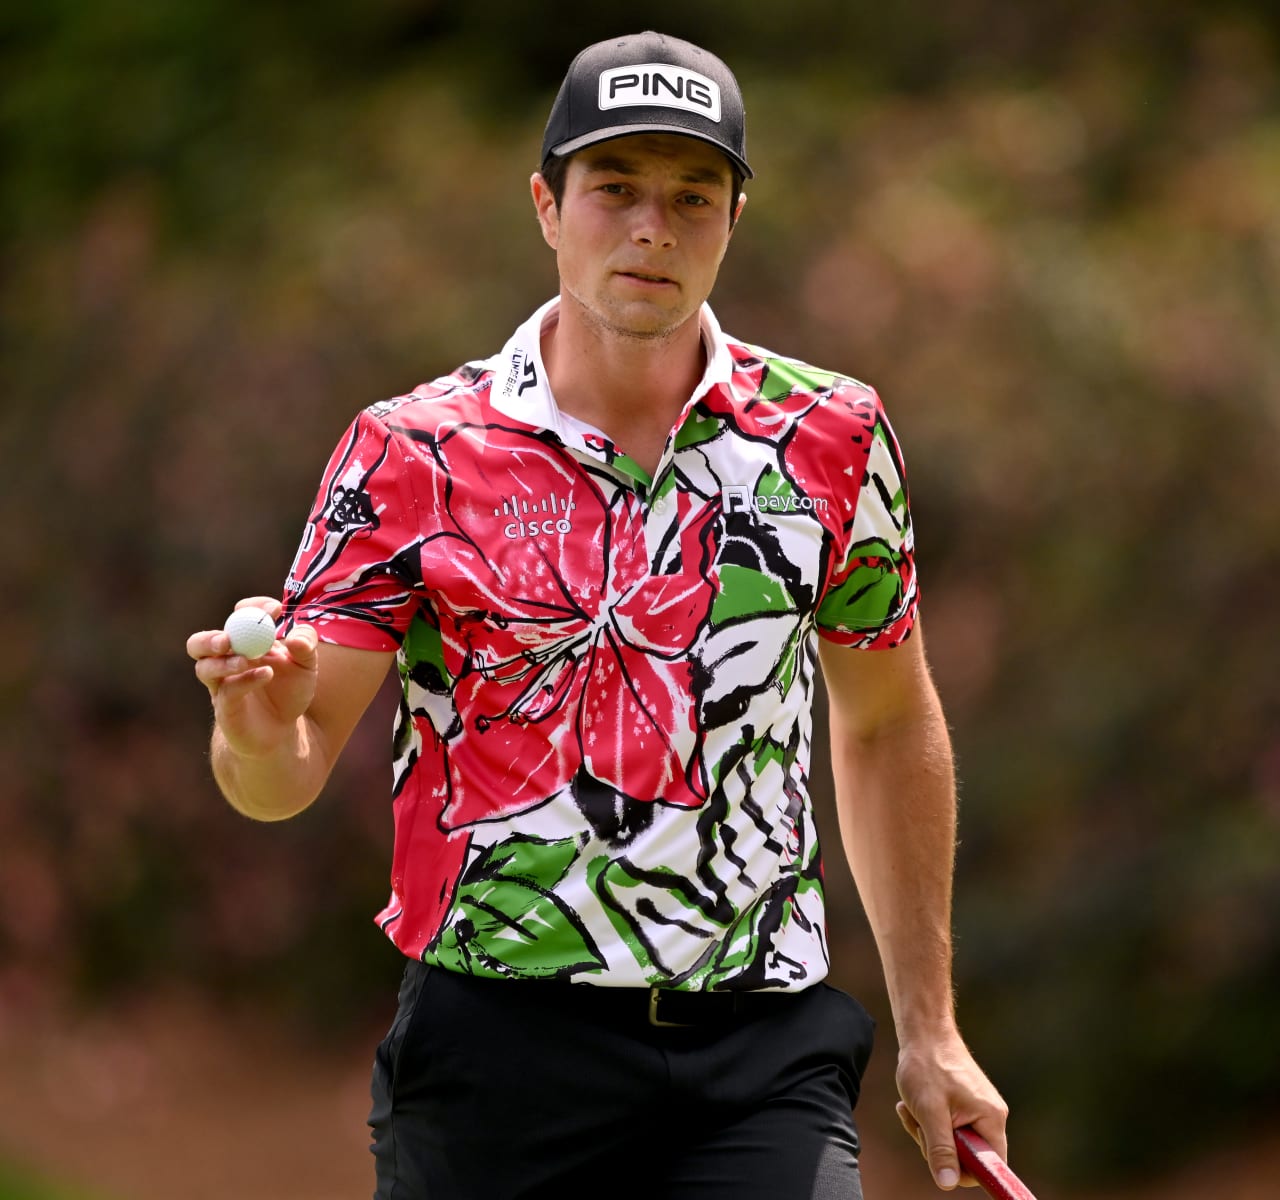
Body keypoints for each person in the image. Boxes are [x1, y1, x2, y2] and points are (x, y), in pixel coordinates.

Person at [185, 29, 1008, 1200]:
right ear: (545, 204)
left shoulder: (830, 438)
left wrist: (932, 1030)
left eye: (691, 196)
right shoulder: (412, 450)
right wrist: (255, 730)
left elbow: (884, 722)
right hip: (495, 1056)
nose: (650, 229)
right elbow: (281, 772)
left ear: (735, 218)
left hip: (760, 1052)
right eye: (614, 189)